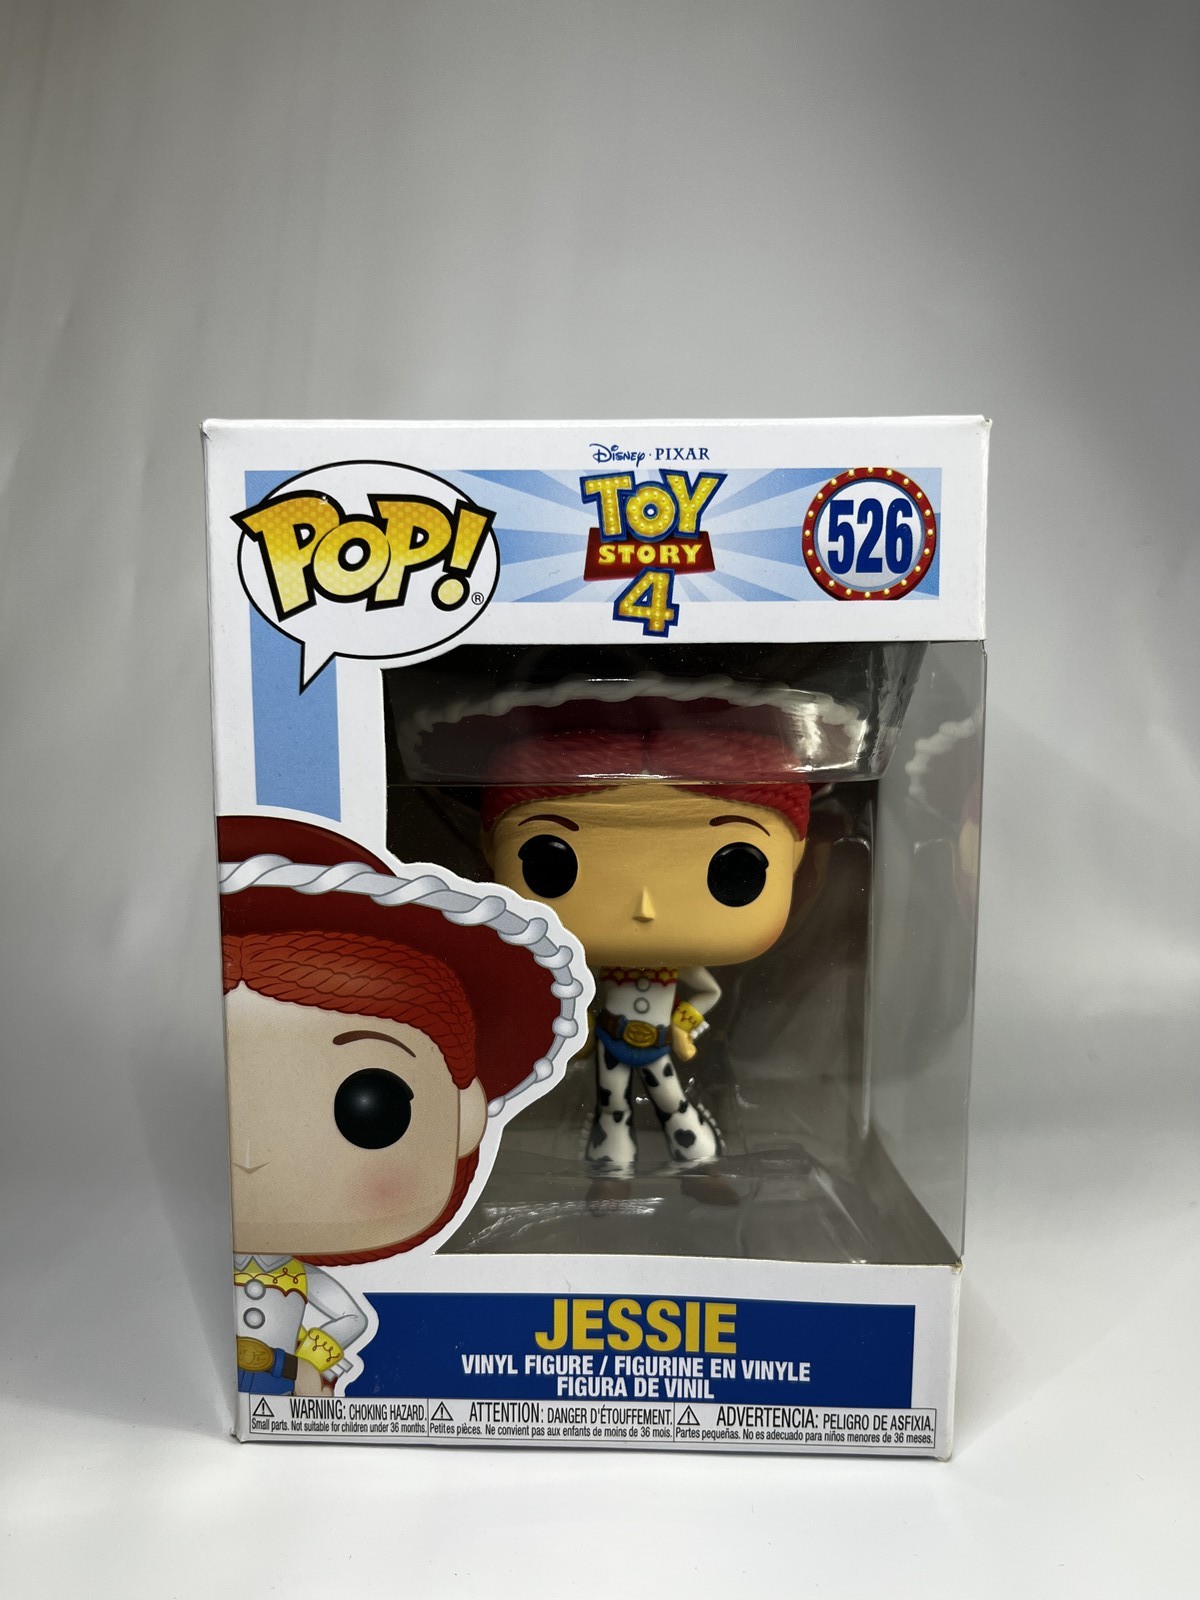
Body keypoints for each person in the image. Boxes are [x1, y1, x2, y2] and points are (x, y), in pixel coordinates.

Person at [218, 814, 582, 1393]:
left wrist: (311, 1360)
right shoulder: (177, 1272)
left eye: (369, 1108)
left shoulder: (297, 1284)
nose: (248, 1155)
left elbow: (350, 1319)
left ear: (465, 1116)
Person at [483, 729, 810, 1175]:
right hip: (612, 1039)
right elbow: (577, 989)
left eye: (736, 870)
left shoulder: (675, 967)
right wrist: (582, 1028)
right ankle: (611, 1166)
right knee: (611, 1102)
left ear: (796, 856)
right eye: (552, 865)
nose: (645, 907)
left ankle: (698, 1159)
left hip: (655, 1043)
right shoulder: (599, 965)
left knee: (671, 1100)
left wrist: (683, 1028)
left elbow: (708, 992)